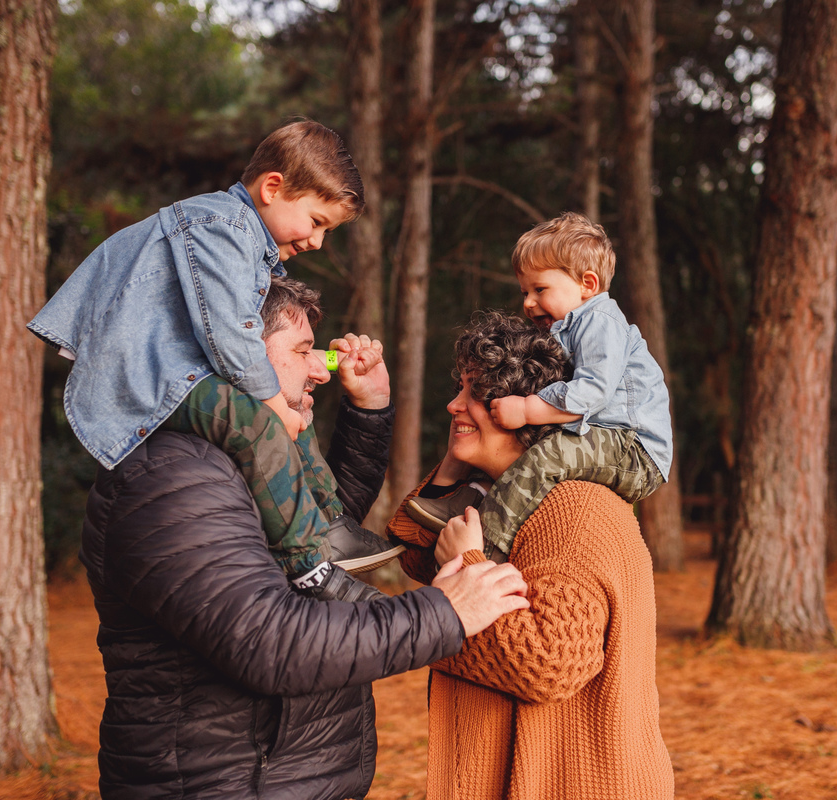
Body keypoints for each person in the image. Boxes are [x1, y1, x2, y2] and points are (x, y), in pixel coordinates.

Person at [80, 277, 530, 800]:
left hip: (284, 775)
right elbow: (269, 642)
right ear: (234, 349)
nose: (321, 367)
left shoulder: (230, 455)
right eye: (300, 351)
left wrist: (369, 411)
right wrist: (444, 614)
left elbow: (317, 534)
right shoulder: (171, 480)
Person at [29, 120, 401, 597]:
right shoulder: (218, 224)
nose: (317, 242)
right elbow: (228, 330)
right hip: (148, 375)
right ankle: (311, 564)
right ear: (273, 187)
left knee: (289, 411)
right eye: (316, 222)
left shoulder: (243, 237)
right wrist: (270, 404)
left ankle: (332, 524)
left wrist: (290, 394)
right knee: (263, 418)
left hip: (181, 371)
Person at [387, 310, 674, 800]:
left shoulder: (572, 510)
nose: (454, 404)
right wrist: (455, 462)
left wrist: (470, 568)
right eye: (460, 389)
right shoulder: (506, 497)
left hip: (575, 785)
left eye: (475, 393)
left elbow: (548, 661)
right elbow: (413, 550)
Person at [406, 212, 673, 564]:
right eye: (524, 292)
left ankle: (489, 547)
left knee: (548, 456)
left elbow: (592, 392)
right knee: (527, 449)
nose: (528, 302)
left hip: (634, 446)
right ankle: (470, 498)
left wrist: (527, 408)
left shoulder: (600, 322)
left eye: (540, 289)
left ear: (587, 284)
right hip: (607, 434)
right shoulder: (570, 327)